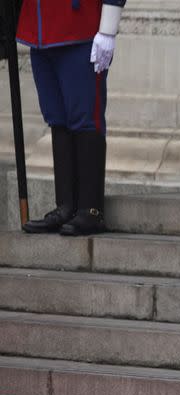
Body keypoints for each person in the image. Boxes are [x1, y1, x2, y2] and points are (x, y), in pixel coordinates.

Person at [16, 0, 126, 235]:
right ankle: (66, 206)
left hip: (80, 29)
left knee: (84, 116)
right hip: (40, 30)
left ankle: (91, 210)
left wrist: (108, 26)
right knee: (57, 117)